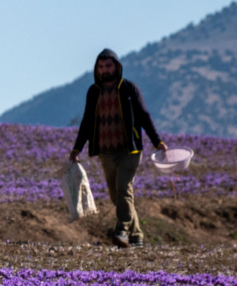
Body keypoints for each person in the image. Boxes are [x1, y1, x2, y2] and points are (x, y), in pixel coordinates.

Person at [68, 48, 167, 248]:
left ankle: (121, 231)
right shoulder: (94, 92)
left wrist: (157, 141)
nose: (105, 70)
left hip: (129, 149)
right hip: (106, 151)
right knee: (117, 195)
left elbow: (144, 116)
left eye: (108, 66)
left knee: (123, 188)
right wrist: (77, 148)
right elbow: (87, 121)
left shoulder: (130, 89)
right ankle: (137, 235)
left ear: (117, 67)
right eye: (101, 67)